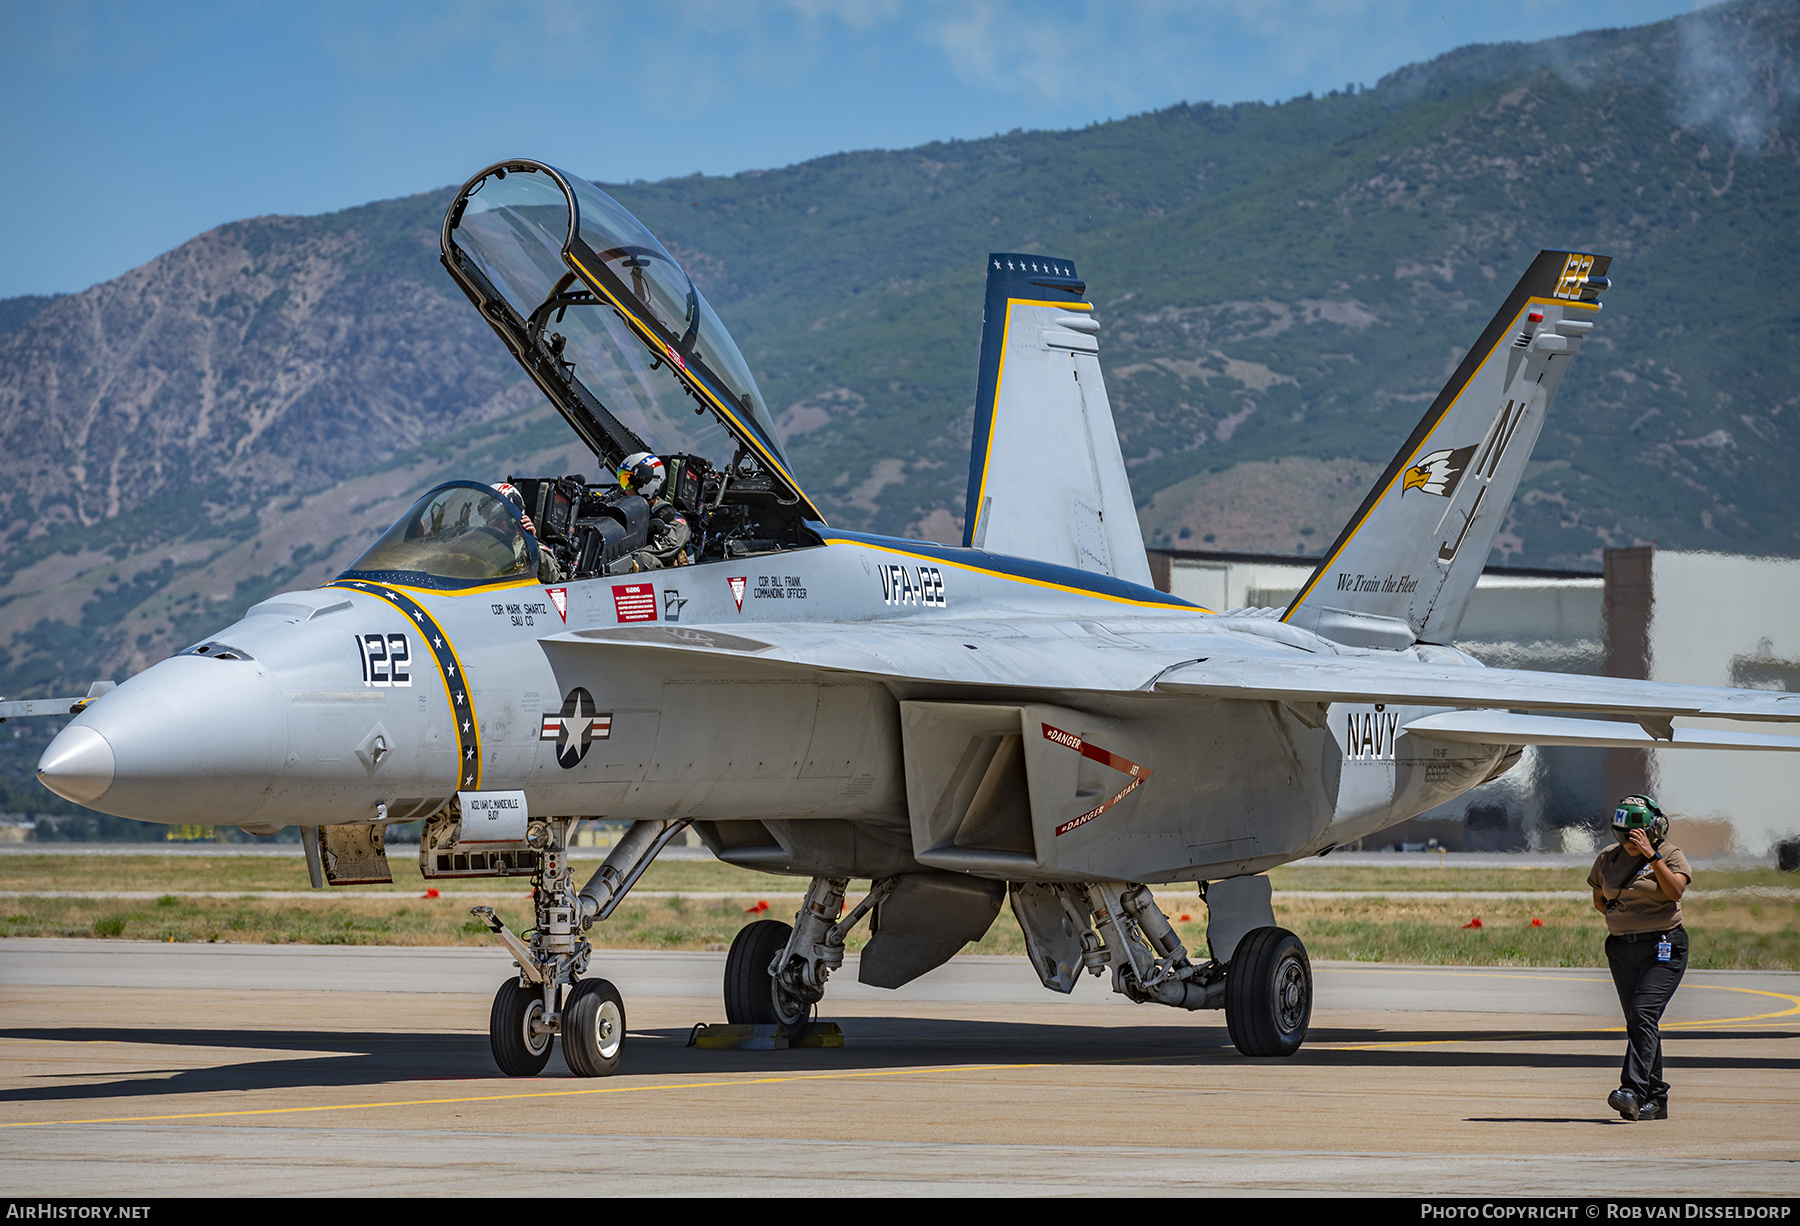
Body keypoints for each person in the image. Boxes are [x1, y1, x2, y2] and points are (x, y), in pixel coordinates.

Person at [1588, 795, 1692, 1121]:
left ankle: (1631, 1090)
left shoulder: (1671, 855)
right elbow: (1600, 899)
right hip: (1622, 948)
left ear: (1653, 829)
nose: (1630, 842)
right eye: (1624, 836)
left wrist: (1652, 856)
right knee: (1639, 1021)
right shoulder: (1607, 858)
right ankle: (1656, 1098)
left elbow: (1675, 891)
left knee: (1643, 1013)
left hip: (1663, 946)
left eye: (1637, 835)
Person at [616, 452, 691, 570]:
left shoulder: (664, 512)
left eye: (626, 482)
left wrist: (629, 556)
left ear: (647, 485)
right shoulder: (624, 509)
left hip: (663, 577)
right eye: (621, 480)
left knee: (640, 558)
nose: (622, 489)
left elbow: (678, 534)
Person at [493, 481, 564, 584]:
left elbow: (552, 576)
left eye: (498, 517)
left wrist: (531, 543)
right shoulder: (482, 544)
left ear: (513, 520)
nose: (491, 522)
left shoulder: (527, 547)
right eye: (488, 516)